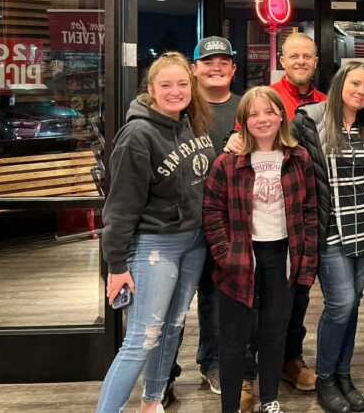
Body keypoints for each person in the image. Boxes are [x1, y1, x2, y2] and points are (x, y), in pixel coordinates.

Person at [96, 52, 216, 413]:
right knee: (141, 339)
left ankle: (152, 402)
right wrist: (116, 264)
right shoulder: (137, 135)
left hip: (193, 243)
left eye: (182, 84)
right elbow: (119, 207)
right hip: (154, 246)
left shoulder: (191, 122)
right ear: (151, 89)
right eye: (166, 85)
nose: (175, 91)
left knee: (173, 327)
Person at [203, 86, 318, 413]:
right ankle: (231, 406)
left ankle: (269, 399)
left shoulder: (298, 159)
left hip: (282, 258)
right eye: (253, 113)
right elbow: (212, 210)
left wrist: (306, 261)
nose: (262, 119)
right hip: (240, 259)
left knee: (273, 333)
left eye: (269, 111)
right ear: (243, 121)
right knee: (234, 339)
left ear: (282, 115)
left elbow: (309, 211)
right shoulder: (228, 162)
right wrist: (225, 255)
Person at [226, 31, 326, 394]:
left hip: (298, 223)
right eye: (294, 56)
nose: (301, 62)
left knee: (296, 299)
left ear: (315, 61)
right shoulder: (266, 101)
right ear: (282, 60)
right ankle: (250, 375)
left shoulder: (324, 103)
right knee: (255, 303)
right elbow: (240, 147)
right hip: (257, 227)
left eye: (307, 57)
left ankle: (289, 360)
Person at [291, 61, 364, 413]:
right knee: (340, 304)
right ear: (340, 83)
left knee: (353, 305)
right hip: (329, 230)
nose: (361, 91)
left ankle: (344, 374)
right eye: (355, 83)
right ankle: (325, 378)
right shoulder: (311, 121)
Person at [163, 36, 241, 406]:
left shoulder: (245, 108)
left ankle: (211, 363)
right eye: (208, 61)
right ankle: (163, 374)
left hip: (227, 225)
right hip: (181, 225)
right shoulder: (179, 109)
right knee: (172, 303)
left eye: (223, 61)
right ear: (195, 68)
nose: (216, 67)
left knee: (215, 301)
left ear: (233, 69)